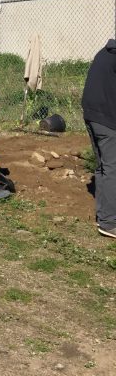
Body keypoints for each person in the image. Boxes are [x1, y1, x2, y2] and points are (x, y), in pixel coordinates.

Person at [82, 39, 116, 239]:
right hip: (106, 120)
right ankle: (109, 222)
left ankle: (105, 215)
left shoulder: (104, 53)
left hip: (92, 116)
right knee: (112, 168)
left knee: (103, 167)